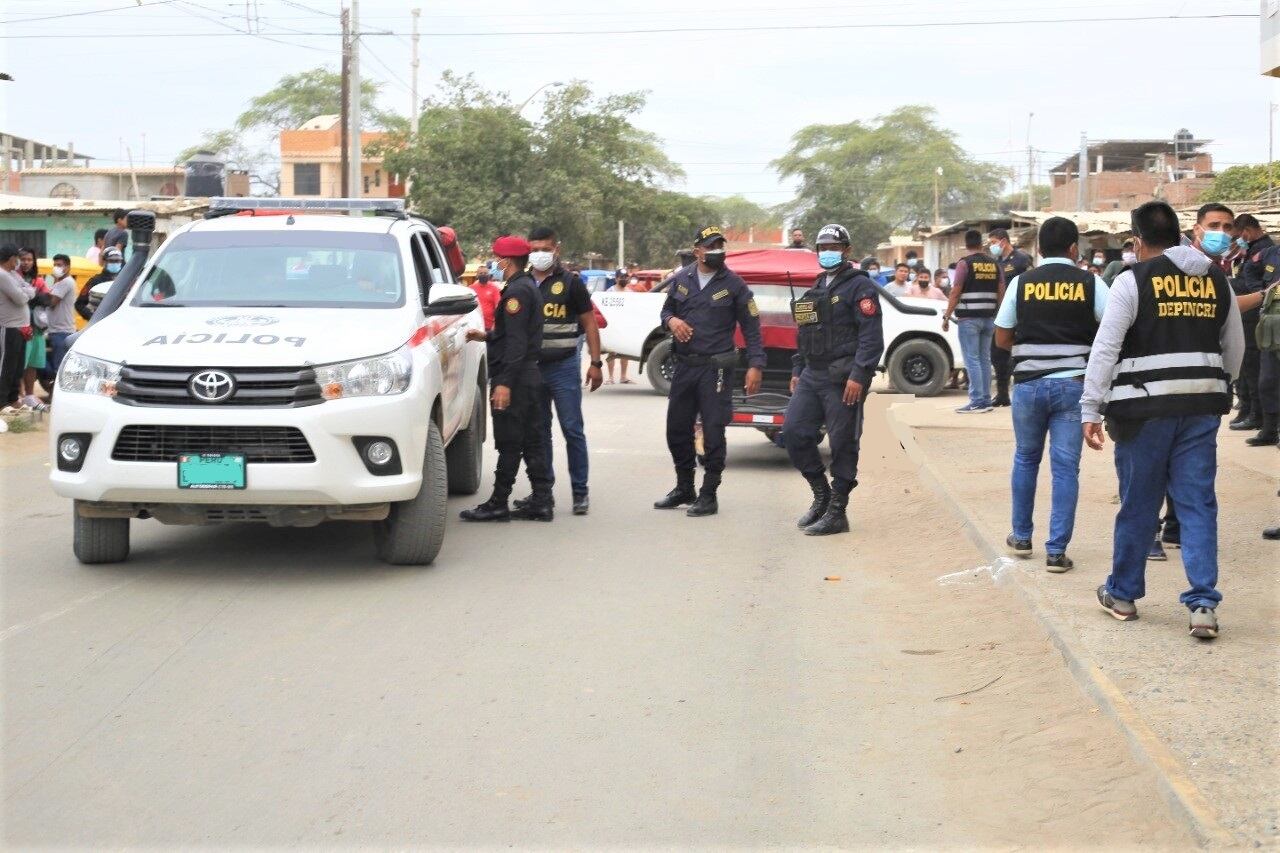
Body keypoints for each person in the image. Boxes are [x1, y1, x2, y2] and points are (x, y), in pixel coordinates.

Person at [1082, 201, 1244, 640]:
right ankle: (1203, 605)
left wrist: (1090, 407)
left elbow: (1106, 348)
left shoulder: (1131, 280)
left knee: (1139, 503)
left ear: (1137, 240)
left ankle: (1122, 595)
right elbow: (1235, 347)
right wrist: (1217, 384)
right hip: (1200, 411)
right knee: (1197, 504)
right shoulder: (1217, 280)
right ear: (1181, 235)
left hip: (1143, 413)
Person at [994, 217, 1109, 571]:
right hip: (1073, 387)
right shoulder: (1091, 283)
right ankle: (1057, 552)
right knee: (1065, 470)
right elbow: (1110, 332)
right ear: (1074, 249)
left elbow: (1001, 337)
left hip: (1028, 386)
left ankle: (1022, 537)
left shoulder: (1021, 283)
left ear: (1039, 249)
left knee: (1026, 459)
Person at [654, 225, 764, 517]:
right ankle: (684, 486)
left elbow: (752, 327)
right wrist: (672, 322)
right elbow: (665, 311)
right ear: (697, 251)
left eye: (720, 245)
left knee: (713, 432)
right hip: (685, 367)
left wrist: (756, 365)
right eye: (711, 246)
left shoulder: (735, 284)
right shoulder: (681, 279)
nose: (717, 250)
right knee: (677, 429)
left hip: (715, 369)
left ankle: (709, 493)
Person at [783, 224, 885, 536]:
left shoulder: (860, 287)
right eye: (823, 247)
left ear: (847, 251)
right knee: (793, 432)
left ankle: (838, 511)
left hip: (843, 378)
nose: (828, 252)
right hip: (812, 373)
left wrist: (859, 375)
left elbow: (871, 338)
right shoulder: (816, 286)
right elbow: (805, 334)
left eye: (834, 247)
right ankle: (821, 495)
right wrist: (797, 369)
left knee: (842, 442)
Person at [460, 235, 553, 522]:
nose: (495, 263)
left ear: (506, 261)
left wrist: (503, 383)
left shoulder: (515, 294)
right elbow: (515, 335)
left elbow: (516, 343)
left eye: (497, 258)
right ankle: (541, 501)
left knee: (511, 441)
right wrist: (486, 336)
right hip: (528, 375)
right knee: (532, 440)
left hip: (515, 378)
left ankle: (499, 502)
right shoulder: (525, 287)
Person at [524, 226, 604, 517]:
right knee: (539, 432)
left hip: (564, 367)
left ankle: (580, 492)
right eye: (535, 248)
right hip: (532, 369)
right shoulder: (522, 283)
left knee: (572, 430)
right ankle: (543, 493)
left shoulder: (570, 283)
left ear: (556, 249)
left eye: (545, 248)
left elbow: (590, 323)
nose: (540, 254)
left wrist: (595, 364)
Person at [943, 229, 1004, 413]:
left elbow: (955, 291)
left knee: (972, 360)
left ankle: (977, 400)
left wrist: (947, 315)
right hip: (989, 318)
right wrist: (999, 314)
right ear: (982, 243)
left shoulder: (964, 264)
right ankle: (985, 399)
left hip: (969, 319)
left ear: (966, 244)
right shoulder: (994, 264)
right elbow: (1002, 290)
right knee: (985, 359)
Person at [1226, 213, 1272, 433]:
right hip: (1244, 314)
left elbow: (1260, 284)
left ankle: (1257, 413)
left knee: (1253, 365)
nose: (1237, 240)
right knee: (1244, 365)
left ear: (1245, 230)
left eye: (1237, 235)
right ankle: (1246, 407)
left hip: (1255, 314)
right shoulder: (1249, 251)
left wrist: (1231, 283)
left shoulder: (1266, 250)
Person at [987, 228, 1032, 407]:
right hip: (1002, 314)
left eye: (993, 242)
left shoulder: (1021, 259)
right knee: (997, 353)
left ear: (1003, 241)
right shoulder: (996, 262)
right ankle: (1002, 394)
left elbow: (1030, 281)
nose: (992, 247)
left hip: (1021, 314)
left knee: (1018, 353)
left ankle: (1021, 391)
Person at [0, 245, 35, 412]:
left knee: (17, 366)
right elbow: (21, 298)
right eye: (17, 258)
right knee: (6, 365)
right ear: (10, 258)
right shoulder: (2, 275)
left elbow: (31, 290)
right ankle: (2, 402)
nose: (19, 262)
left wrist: (25, 291)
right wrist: (25, 292)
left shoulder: (13, 274)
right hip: (9, 328)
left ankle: (13, 399)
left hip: (22, 328)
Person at [44, 253, 79, 391]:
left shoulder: (66, 282)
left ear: (68, 267)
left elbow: (52, 302)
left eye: (60, 265)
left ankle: (56, 394)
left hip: (61, 331)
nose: (56, 268)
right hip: (55, 330)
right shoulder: (60, 282)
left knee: (58, 368)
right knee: (53, 365)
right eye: (55, 265)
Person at [77, 246, 122, 320]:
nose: (115, 263)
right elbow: (79, 304)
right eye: (111, 261)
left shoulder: (125, 280)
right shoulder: (95, 280)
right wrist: (92, 317)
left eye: (117, 261)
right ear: (105, 262)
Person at [469, 266, 502, 331]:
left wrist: (495, 324)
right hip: (475, 325)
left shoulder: (494, 288)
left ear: (489, 275)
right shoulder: (471, 289)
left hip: (490, 326)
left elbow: (498, 307)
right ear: (477, 275)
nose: (483, 275)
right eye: (481, 273)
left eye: (485, 273)